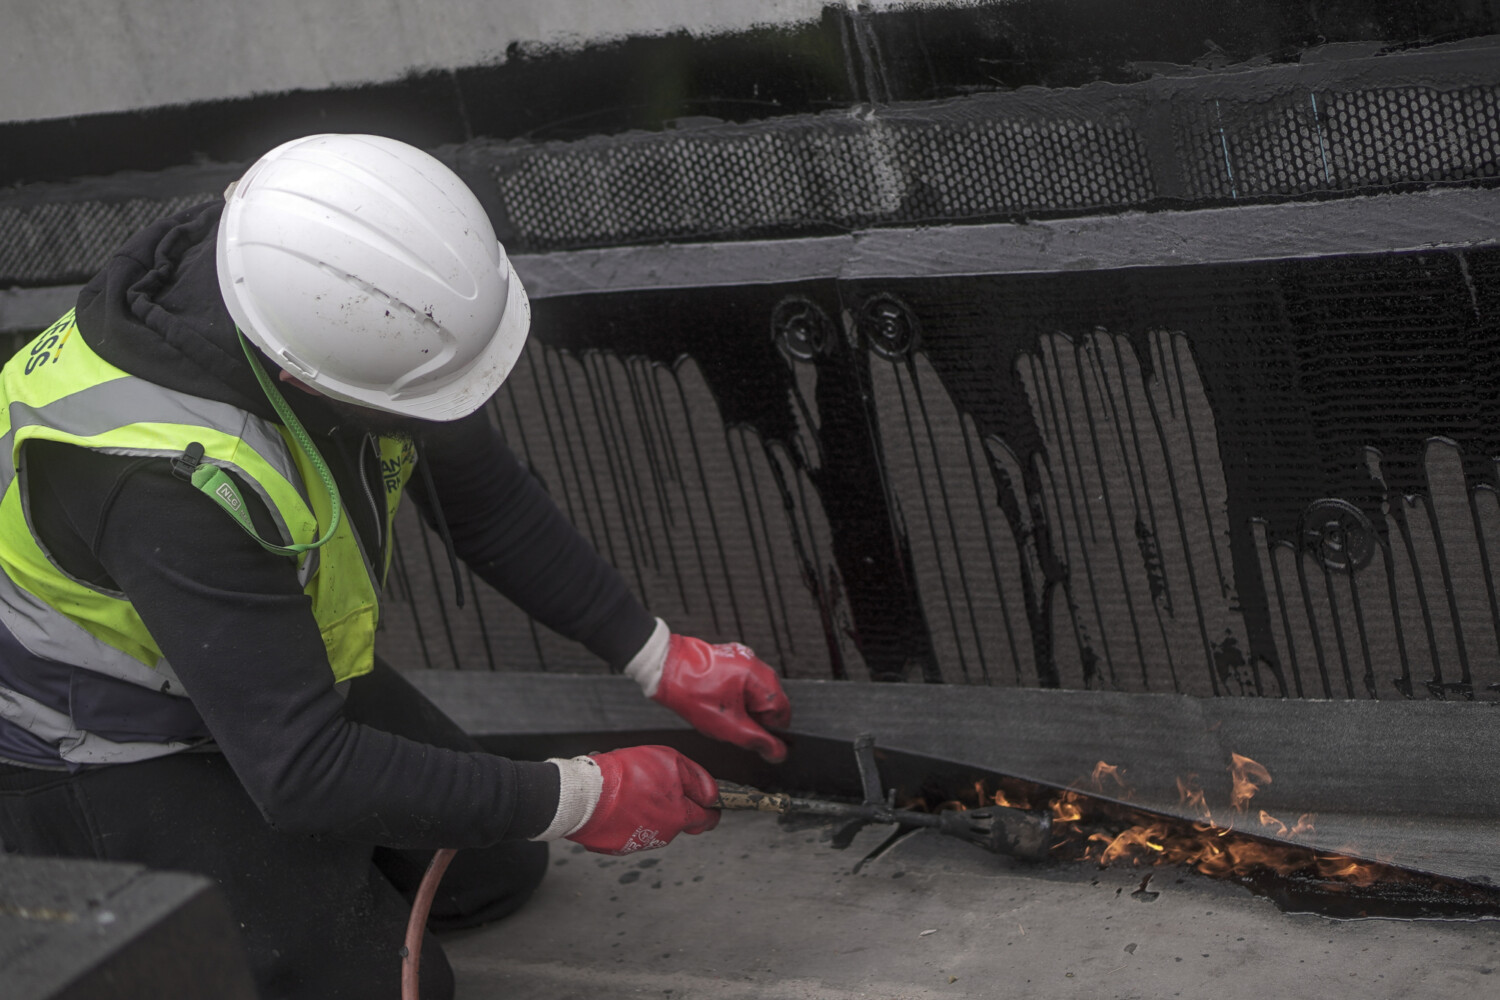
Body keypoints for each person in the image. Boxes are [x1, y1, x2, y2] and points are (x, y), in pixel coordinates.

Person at [0, 133, 792, 999]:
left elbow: (482, 499)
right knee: (384, 982)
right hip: (93, 739)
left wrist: (655, 654)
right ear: (304, 377)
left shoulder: (334, 297)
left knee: (495, 869)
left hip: (243, 669)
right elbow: (304, 772)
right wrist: (584, 795)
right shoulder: (168, 476)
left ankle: (289, 868)